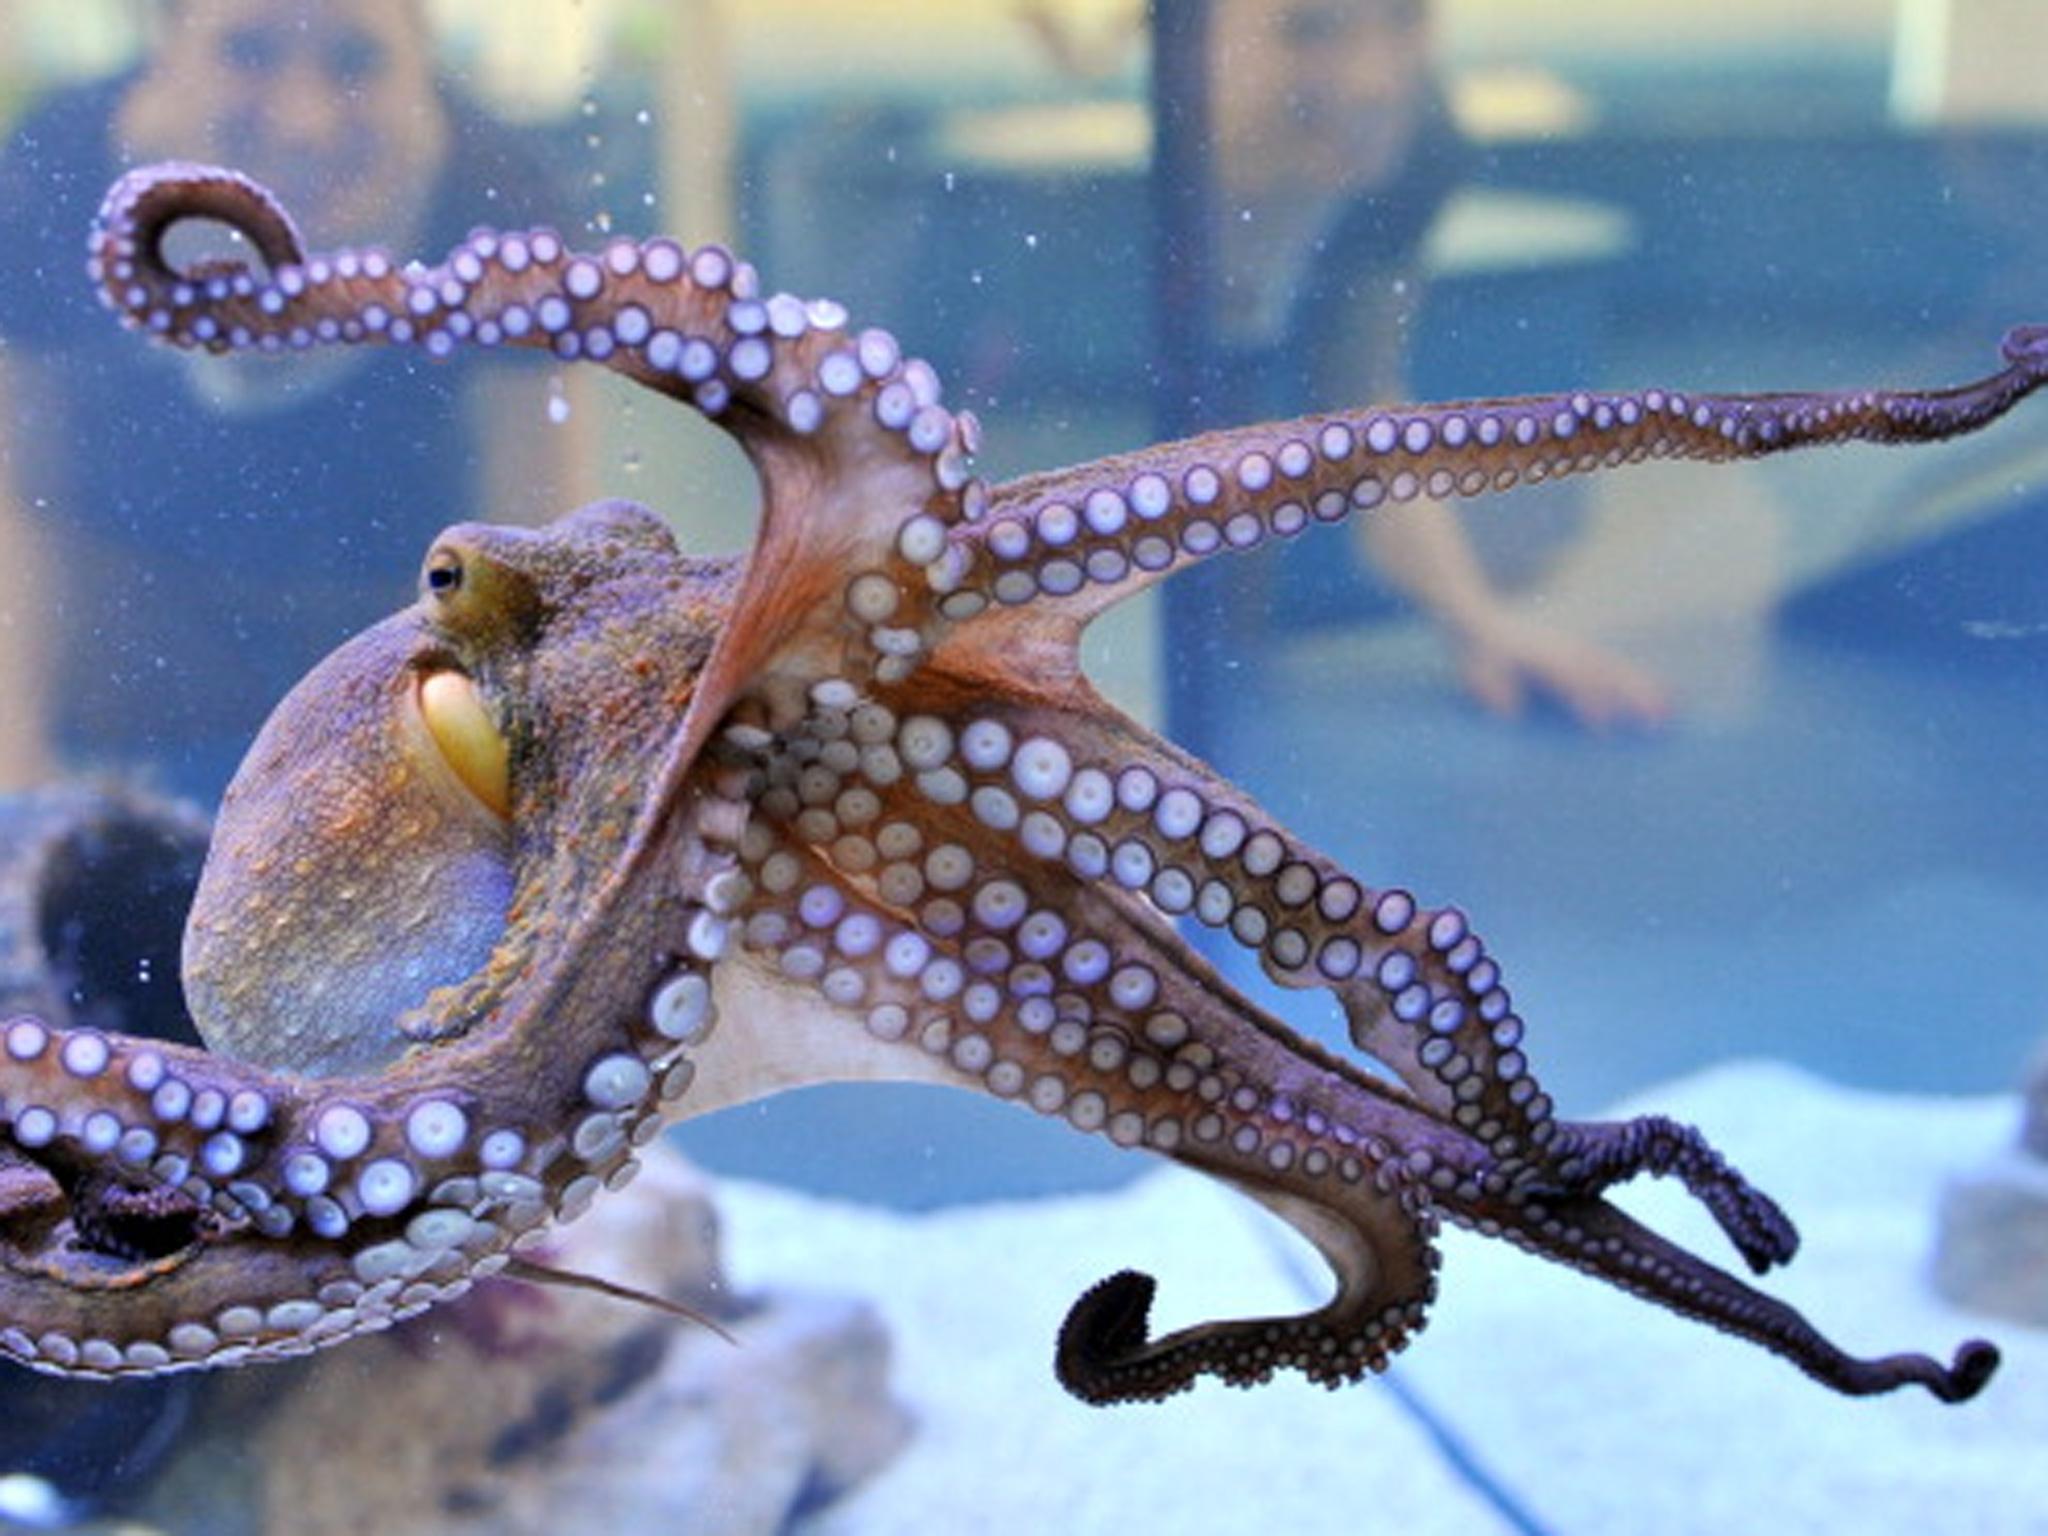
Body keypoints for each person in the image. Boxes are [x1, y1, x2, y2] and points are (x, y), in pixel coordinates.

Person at [0, 0, 583, 801]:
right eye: (246, 51)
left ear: (422, 48)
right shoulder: (52, 169)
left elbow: (533, 557)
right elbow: (20, 500)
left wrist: (523, 788)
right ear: (165, 40)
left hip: (389, 667)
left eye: (355, 63)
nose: (302, 121)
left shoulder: (500, 203)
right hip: (125, 666)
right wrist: (17, 763)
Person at [1203, 0, 1668, 728]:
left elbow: (1358, 406)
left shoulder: (1419, 147)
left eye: (1405, 18)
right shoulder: (1088, 207)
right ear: (1184, 38)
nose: (1374, 81)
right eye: (1310, 29)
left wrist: (1479, 624)